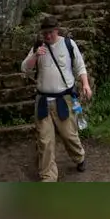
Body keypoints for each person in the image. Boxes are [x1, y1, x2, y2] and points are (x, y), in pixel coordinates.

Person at [21, 15, 93, 182]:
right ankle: (48, 177)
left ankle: (79, 157)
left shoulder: (68, 44)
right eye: (45, 33)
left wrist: (85, 84)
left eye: (51, 32)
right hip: (43, 101)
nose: (48, 36)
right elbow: (25, 68)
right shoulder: (38, 47)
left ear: (57, 30)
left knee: (69, 135)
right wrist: (35, 56)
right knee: (45, 140)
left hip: (64, 99)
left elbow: (80, 66)